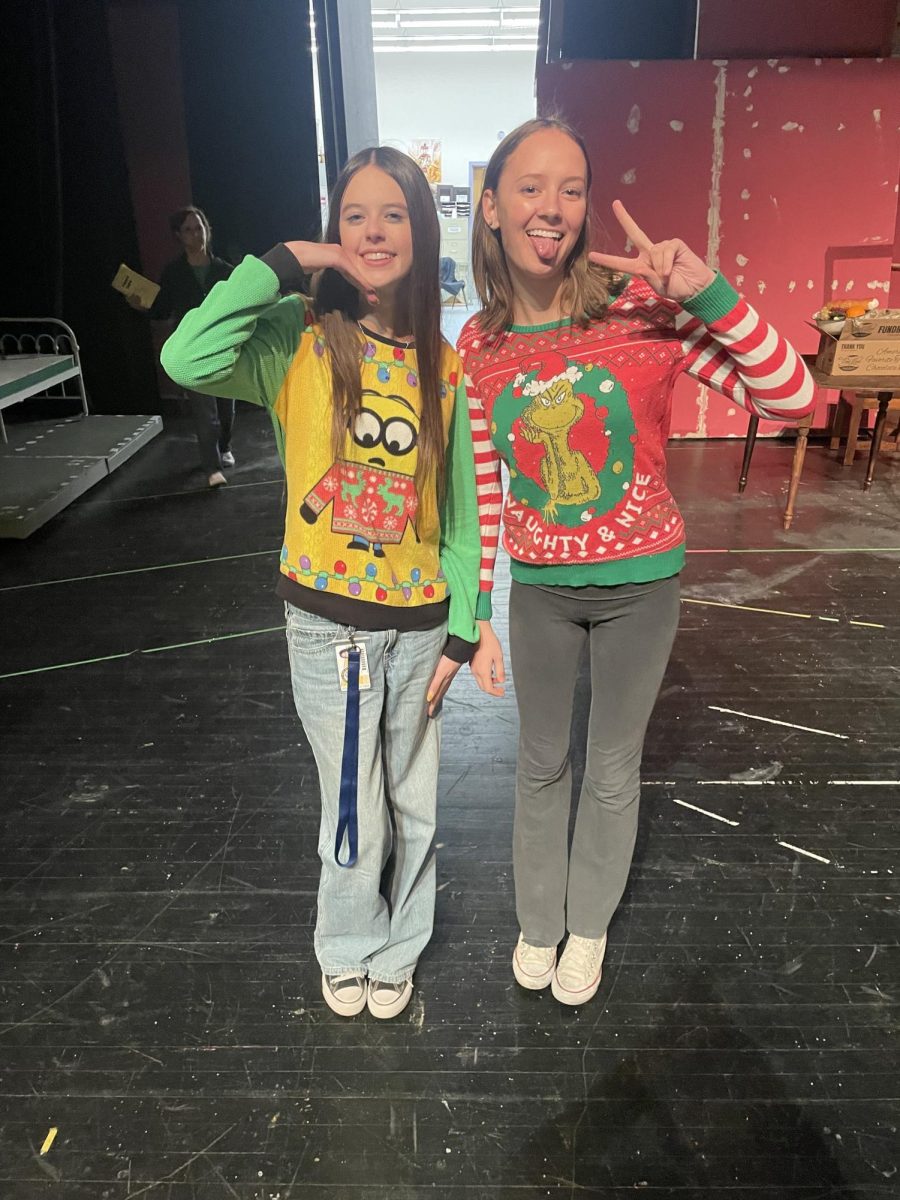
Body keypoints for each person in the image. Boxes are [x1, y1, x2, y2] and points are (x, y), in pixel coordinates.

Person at [459, 117, 815, 1007]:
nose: (554, 208)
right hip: (541, 594)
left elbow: (796, 400)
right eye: (532, 187)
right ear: (492, 204)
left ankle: (587, 930)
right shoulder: (480, 346)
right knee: (540, 764)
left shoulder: (645, 311)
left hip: (641, 588)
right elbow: (484, 490)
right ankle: (538, 923)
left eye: (572, 189)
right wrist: (478, 616)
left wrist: (710, 294)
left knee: (612, 766)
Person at [161, 147, 482, 1020]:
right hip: (326, 630)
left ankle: (401, 945)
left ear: (422, 229)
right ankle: (347, 944)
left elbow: (457, 510)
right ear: (333, 230)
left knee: (413, 802)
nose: (374, 231)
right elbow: (186, 359)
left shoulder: (444, 363)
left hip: (419, 626)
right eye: (354, 216)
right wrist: (277, 264)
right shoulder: (295, 339)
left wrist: (465, 622)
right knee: (352, 806)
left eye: (394, 214)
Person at [128, 206, 235, 487]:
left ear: (207, 230)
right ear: (179, 235)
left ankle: (224, 447)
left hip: (223, 346)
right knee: (204, 412)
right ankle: (211, 468)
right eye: (188, 229)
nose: (195, 234)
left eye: (199, 228)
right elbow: (161, 310)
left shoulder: (224, 269)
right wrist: (140, 306)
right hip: (191, 348)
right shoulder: (174, 273)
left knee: (226, 410)